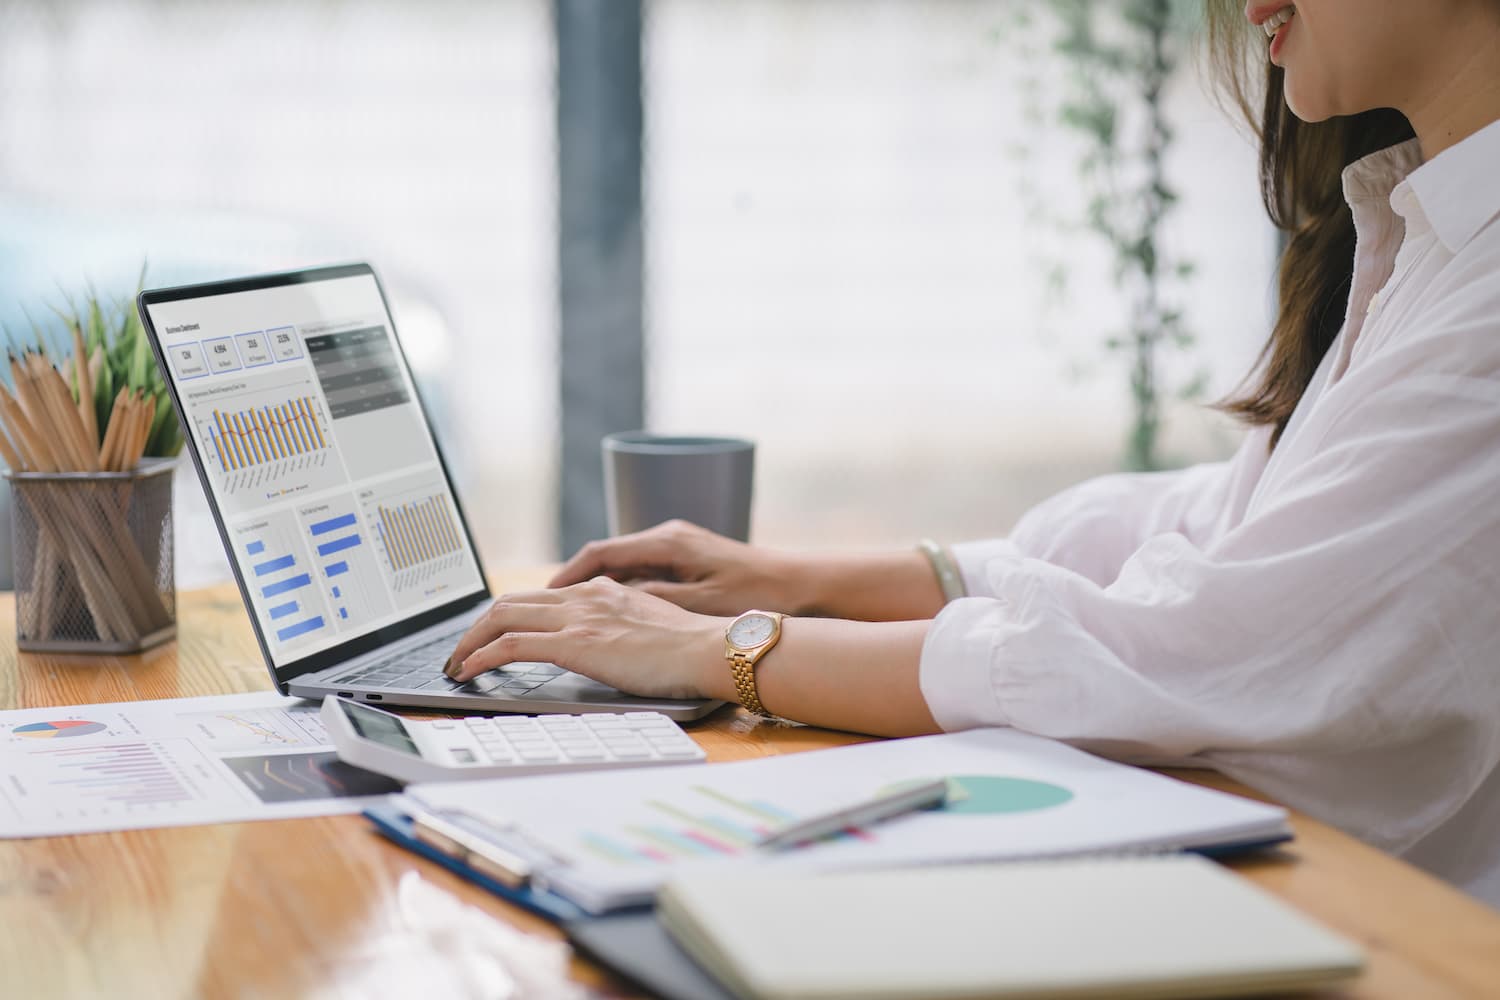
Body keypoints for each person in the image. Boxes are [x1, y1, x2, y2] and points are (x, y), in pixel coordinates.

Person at [448, 0, 1500, 906]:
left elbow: (1194, 643)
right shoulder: (1430, 238)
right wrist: (802, 582)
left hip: (1385, 930)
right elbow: (1219, 528)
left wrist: (721, 648)